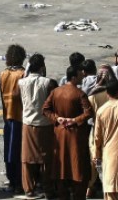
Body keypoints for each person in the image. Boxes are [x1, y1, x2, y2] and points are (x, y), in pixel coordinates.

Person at [45, 66, 94, 200]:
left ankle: (63, 195)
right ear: (73, 77)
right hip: (75, 135)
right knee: (77, 167)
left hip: (59, 133)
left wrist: (57, 118)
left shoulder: (56, 92)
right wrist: (74, 120)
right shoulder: (79, 93)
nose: (82, 77)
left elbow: (46, 109)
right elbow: (89, 112)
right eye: (79, 75)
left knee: (61, 167)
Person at [19, 53, 57, 199]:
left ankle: (29, 189)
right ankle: (47, 188)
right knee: (46, 158)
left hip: (28, 124)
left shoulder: (21, 82)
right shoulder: (48, 82)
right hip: (45, 124)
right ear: (42, 67)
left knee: (27, 159)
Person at [0, 45, 27, 197]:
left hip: (8, 115)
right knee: (19, 151)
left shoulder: (3, 74)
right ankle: (19, 182)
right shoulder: (22, 74)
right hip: (20, 116)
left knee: (9, 151)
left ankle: (12, 180)